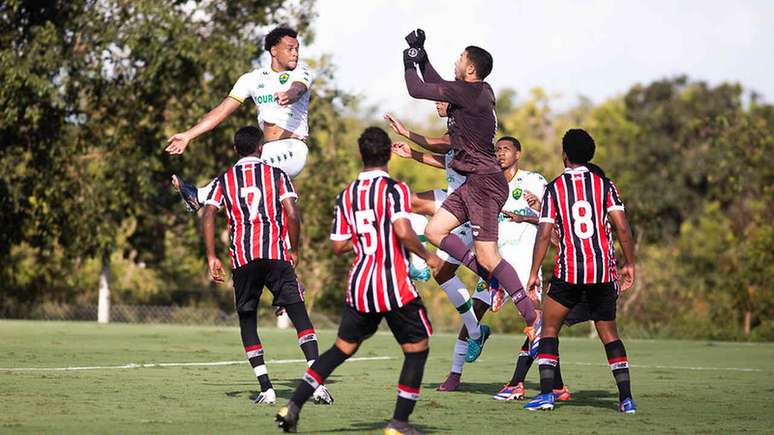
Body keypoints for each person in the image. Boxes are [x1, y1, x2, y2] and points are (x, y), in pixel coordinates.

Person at [275, 127, 441, 435]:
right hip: (394, 285)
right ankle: (399, 423)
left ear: (360, 154)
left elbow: (338, 245)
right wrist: (429, 256)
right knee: (417, 349)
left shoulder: (347, 194)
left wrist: (366, 237)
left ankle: (293, 406)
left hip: (361, 286)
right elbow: (403, 232)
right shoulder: (395, 190)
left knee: (341, 349)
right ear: (388, 154)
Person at [402, 29, 539, 363]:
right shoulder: (478, 90)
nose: (456, 61)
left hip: (485, 183)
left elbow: (417, 89)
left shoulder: (471, 92)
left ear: (471, 68)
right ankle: (491, 280)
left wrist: (408, 61)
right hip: (473, 183)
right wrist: (422, 54)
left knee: (489, 257)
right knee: (435, 231)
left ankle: (532, 319)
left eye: (460, 58)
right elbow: (438, 84)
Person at [201, 126, 332, 405]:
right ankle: (317, 385)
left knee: (248, 320)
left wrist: (212, 256)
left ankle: (267, 389)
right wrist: (294, 250)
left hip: (244, 258)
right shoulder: (277, 175)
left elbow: (208, 214)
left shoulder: (224, 179)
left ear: (235, 150)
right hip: (276, 254)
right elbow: (292, 214)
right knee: (300, 316)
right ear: (261, 148)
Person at [523, 129, 637, 413]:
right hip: (602, 272)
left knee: (549, 329)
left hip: (569, 272)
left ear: (565, 155)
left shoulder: (555, 188)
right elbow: (622, 228)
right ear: (590, 155)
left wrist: (534, 273)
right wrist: (629, 263)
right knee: (610, 335)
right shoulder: (605, 185)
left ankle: (547, 395)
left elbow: (544, 234)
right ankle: (626, 399)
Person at [168, 26, 314, 212]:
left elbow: (298, 89)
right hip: (267, 152)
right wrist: (188, 135)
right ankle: (204, 199)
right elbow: (222, 110)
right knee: (254, 194)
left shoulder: (301, 72)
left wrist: (289, 95)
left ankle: (200, 196)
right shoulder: (252, 79)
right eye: (290, 48)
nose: (295, 53)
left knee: (244, 170)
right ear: (274, 51)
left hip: (293, 150)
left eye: (297, 49)